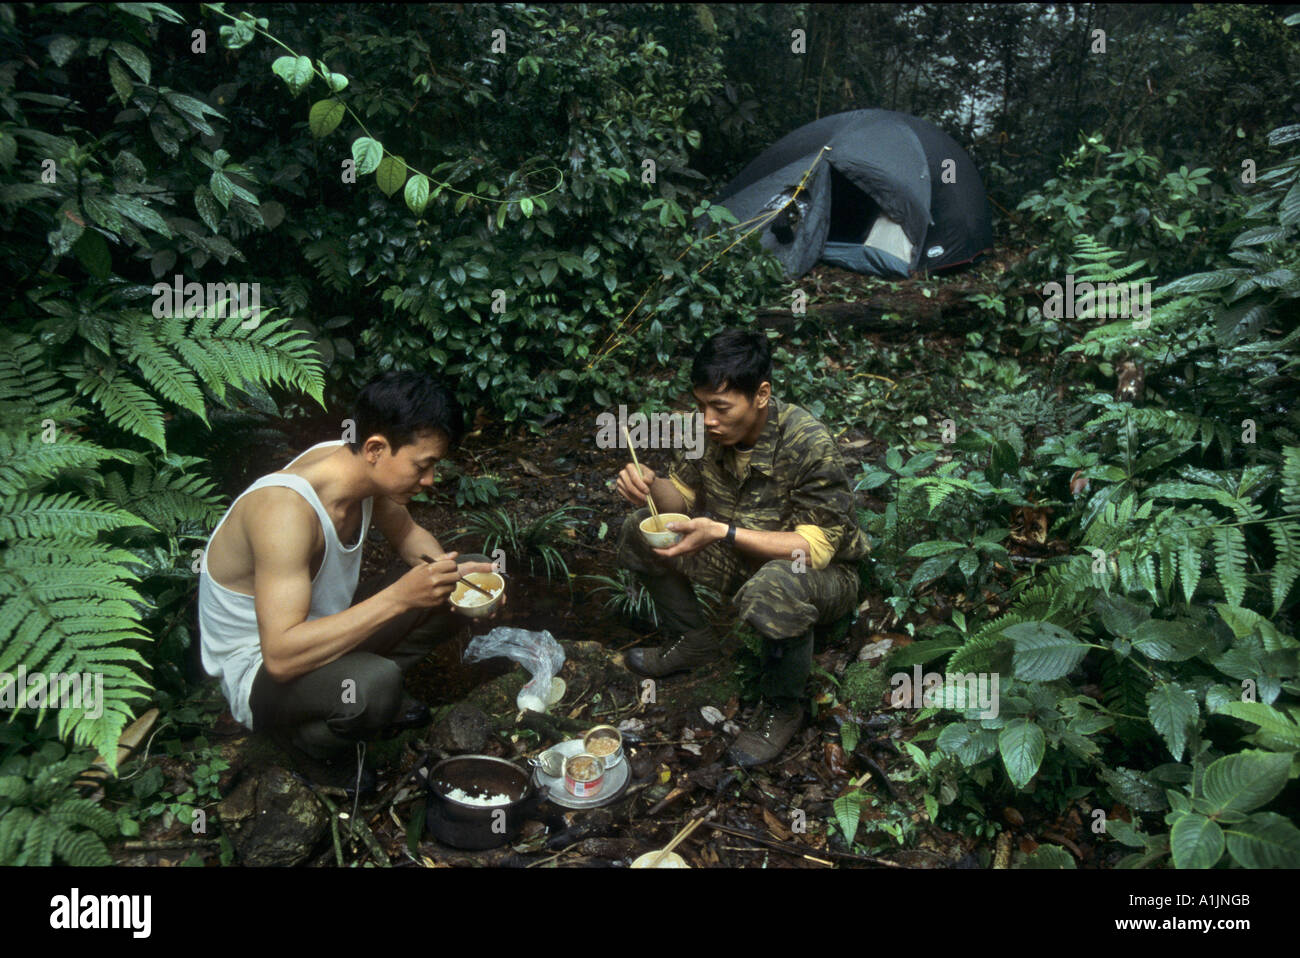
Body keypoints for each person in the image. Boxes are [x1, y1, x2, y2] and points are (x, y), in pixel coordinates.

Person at [198, 371, 500, 795]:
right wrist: (399, 598)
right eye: (423, 466)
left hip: (321, 634)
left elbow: (412, 538)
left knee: (469, 569)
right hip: (261, 671)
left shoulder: (361, 469)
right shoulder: (285, 512)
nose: (430, 480)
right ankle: (308, 742)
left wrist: (459, 581)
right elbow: (281, 656)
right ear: (376, 448)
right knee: (373, 686)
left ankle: (366, 697)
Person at [613, 328, 867, 766]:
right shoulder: (704, 432)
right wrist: (650, 485)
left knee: (777, 583)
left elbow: (816, 548)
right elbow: (682, 498)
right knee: (640, 529)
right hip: (738, 553)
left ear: (762, 395)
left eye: (720, 407)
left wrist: (722, 533)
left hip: (820, 576)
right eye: (701, 405)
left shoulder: (807, 442)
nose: (707, 419)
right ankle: (693, 641)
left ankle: (783, 706)